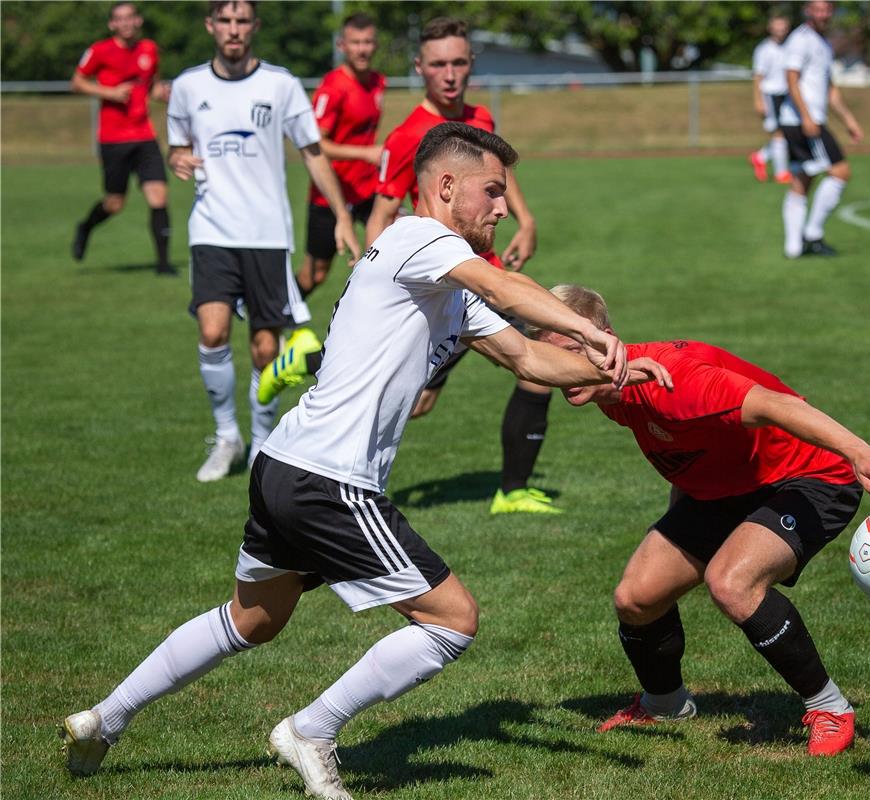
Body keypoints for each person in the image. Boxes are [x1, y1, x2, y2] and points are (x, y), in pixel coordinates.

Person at [60, 123, 672, 800]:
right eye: (492, 191)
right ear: (445, 187)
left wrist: (617, 369)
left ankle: (102, 718)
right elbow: (504, 291)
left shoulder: (449, 283)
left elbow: (528, 356)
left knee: (252, 619)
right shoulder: (420, 237)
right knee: (451, 620)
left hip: (288, 463)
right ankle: (311, 730)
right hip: (330, 478)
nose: (503, 207)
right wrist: (588, 325)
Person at [528, 284, 870, 757]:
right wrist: (679, 525)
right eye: (548, 358)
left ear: (607, 338)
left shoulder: (673, 382)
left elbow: (776, 404)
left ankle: (829, 707)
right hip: (726, 490)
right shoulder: (611, 392)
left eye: (568, 352)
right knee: (637, 598)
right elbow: (687, 451)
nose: (560, 372)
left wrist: (859, 451)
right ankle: (664, 703)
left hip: (810, 477)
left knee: (732, 582)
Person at [263, 18, 558, 516]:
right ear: (419, 68)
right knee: (417, 401)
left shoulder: (480, 117)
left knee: (534, 364)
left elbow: (498, 178)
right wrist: (378, 286)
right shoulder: (407, 139)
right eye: (438, 64)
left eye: (459, 62)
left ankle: (512, 490)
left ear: (470, 64)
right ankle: (306, 362)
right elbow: (381, 215)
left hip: (478, 281)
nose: (449, 74)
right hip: (436, 290)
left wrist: (525, 220)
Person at [166, 0, 359, 482]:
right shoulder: (188, 86)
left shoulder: (280, 85)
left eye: (242, 20)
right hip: (210, 228)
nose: (233, 29)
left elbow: (313, 153)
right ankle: (228, 436)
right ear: (211, 26)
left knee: (264, 349)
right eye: (225, 21)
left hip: (267, 235)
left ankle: (262, 442)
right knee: (211, 331)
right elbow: (177, 148)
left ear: (254, 26)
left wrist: (340, 214)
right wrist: (177, 161)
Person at [70, 2, 174, 275]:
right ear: (112, 24)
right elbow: (77, 82)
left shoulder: (149, 49)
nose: (126, 23)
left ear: (138, 21)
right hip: (113, 138)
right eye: (120, 19)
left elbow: (152, 85)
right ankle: (86, 227)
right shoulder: (99, 50)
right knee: (115, 203)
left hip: (144, 135)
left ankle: (163, 265)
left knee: (158, 196)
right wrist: (111, 93)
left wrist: (162, 94)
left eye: (130, 18)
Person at [296, 12, 386, 300]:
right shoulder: (333, 88)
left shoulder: (377, 82)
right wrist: (365, 153)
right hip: (330, 193)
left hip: (368, 190)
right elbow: (315, 145)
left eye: (368, 42)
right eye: (355, 42)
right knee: (316, 273)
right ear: (341, 46)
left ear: (376, 45)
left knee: (398, 246)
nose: (362, 48)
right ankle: (279, 317)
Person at [779, 0, 864, 258]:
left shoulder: (824, 44)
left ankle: (793, 247)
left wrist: (848, 120)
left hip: (811, 120)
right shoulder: (800, 39)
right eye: (817, 9)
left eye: (826, 9)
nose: (822, 14)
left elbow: (830, 89)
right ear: (808, 10)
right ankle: (812, 235)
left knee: (803, 179)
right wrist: (806, 116)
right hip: (803, 121)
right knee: (840, 172)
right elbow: (791, 79)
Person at [749, 13, 793, 184]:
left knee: (789, 132)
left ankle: (760, 157)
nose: (780, 30)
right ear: (771, 28)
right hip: (771, 95)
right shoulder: (763, 49)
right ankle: (781, 173)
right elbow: (758, 77)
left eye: (783, 26)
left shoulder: (790, 47)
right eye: (777, 26)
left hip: (787, 95)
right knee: (779, 133)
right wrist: (758, 100)